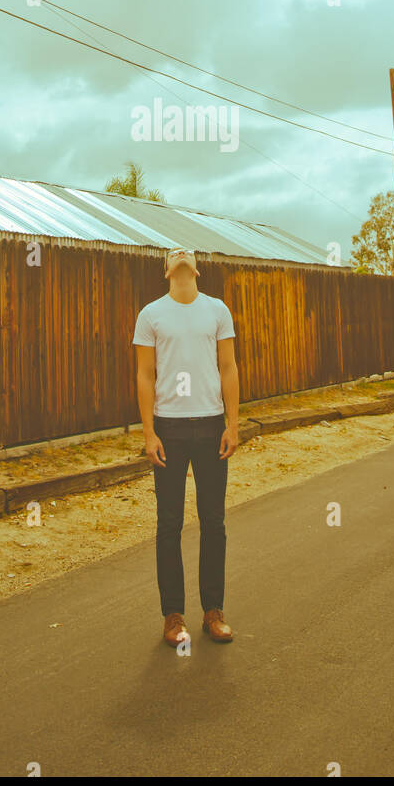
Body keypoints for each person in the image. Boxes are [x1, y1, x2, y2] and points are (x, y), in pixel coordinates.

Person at [133, 247, 239, 649]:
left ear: (197, 269)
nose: (181, 256)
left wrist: (233, 423)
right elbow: (145, 375)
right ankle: (173, 616)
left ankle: (214, 611)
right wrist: (149, 432)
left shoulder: (217, 310)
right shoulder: (151, 314)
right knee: (169, 524)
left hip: (212, 426)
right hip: (169, 430)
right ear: (166, 270)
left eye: (187, 254)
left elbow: (228, 367)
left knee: (214, 522)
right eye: (173, 255)